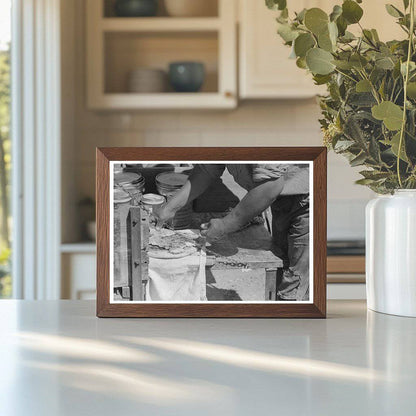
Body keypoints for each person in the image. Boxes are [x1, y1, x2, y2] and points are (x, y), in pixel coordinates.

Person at [153, 164, 309, 301]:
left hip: (304, 202)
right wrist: (170, 207)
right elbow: (207, 168)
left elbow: (270, 187)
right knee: (285, 274)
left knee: (295, 288)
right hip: (281, 199)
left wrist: (225, 224)